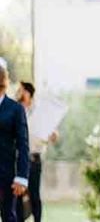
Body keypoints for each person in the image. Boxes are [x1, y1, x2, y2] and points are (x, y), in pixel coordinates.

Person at [15, 82, 56, 222]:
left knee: (34, 195)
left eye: (20, 90)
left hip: (33, 159)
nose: (17, 93)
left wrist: (52, 136)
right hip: (18, 159)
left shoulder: (39, 113)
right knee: (18, 195)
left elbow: (51, 134)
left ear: (27, 93)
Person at [0, 58, 29, 222]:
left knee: (9, 217)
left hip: (7, 177)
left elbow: (23, 145)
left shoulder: (15, 109)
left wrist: (22, 176)